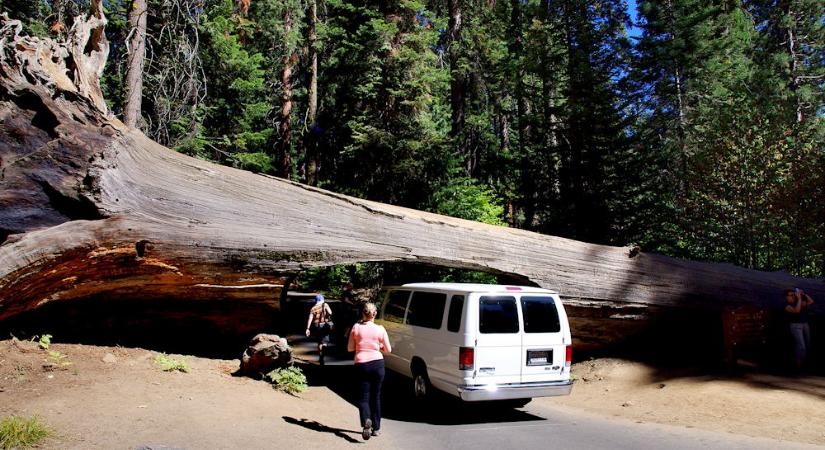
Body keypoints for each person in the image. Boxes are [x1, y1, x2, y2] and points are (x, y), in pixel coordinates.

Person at [347, 302, 392, 441]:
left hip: (361, 364)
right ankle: (376, 428)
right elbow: (388, 350)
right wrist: (378, 346)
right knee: (376, 396)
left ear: (362, 313)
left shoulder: (356, 327)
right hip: (378, 364)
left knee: (363, 397)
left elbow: (350, 348)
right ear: (375, 314)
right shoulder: (380, 329)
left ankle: (366, 419)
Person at [784, 288, 814, 370]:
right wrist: (800, 299)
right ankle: (799, 364)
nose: (793, 296)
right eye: (791, 295)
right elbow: (797, 311)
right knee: (801, 346)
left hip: (805, 324)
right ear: (786, 297)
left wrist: (804, 294)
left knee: (807, 344)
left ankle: (802, 362)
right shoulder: (787, 305)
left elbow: (811, 302)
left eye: (793, 294)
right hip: (795, 326)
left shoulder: (799, 302)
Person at [306, 294, 333, 364]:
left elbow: (310, 319)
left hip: (317, 326)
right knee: (325, 341)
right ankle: (324, 349)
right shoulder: (325, 305)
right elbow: (330, 312)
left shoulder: (313, 308)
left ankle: (320, 355)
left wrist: (307, 328)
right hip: (325, 325)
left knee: (319, 342)